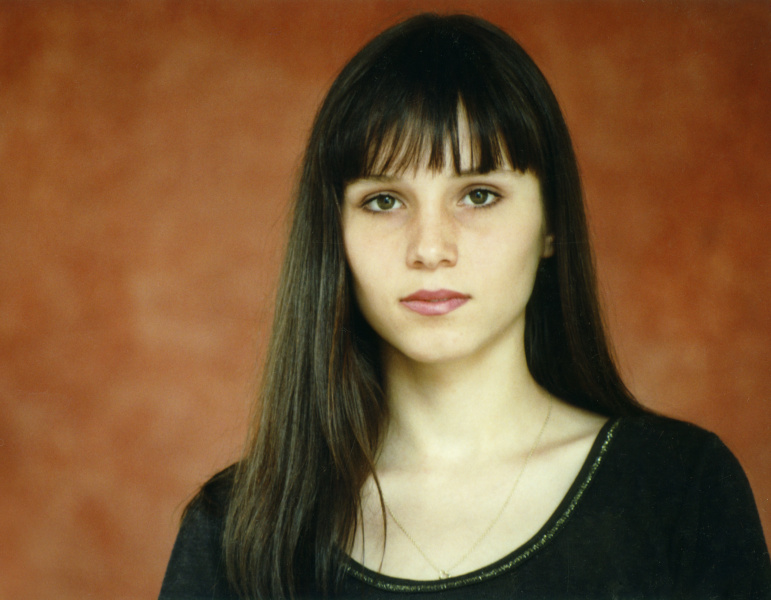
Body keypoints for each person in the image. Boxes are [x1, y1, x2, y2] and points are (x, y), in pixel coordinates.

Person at [159, 13, 771, 600]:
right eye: (383, 200)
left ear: (551, 222)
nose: (430, 248)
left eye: (478, 195)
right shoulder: (232, 530)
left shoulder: (680, 490)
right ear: (332, 233)